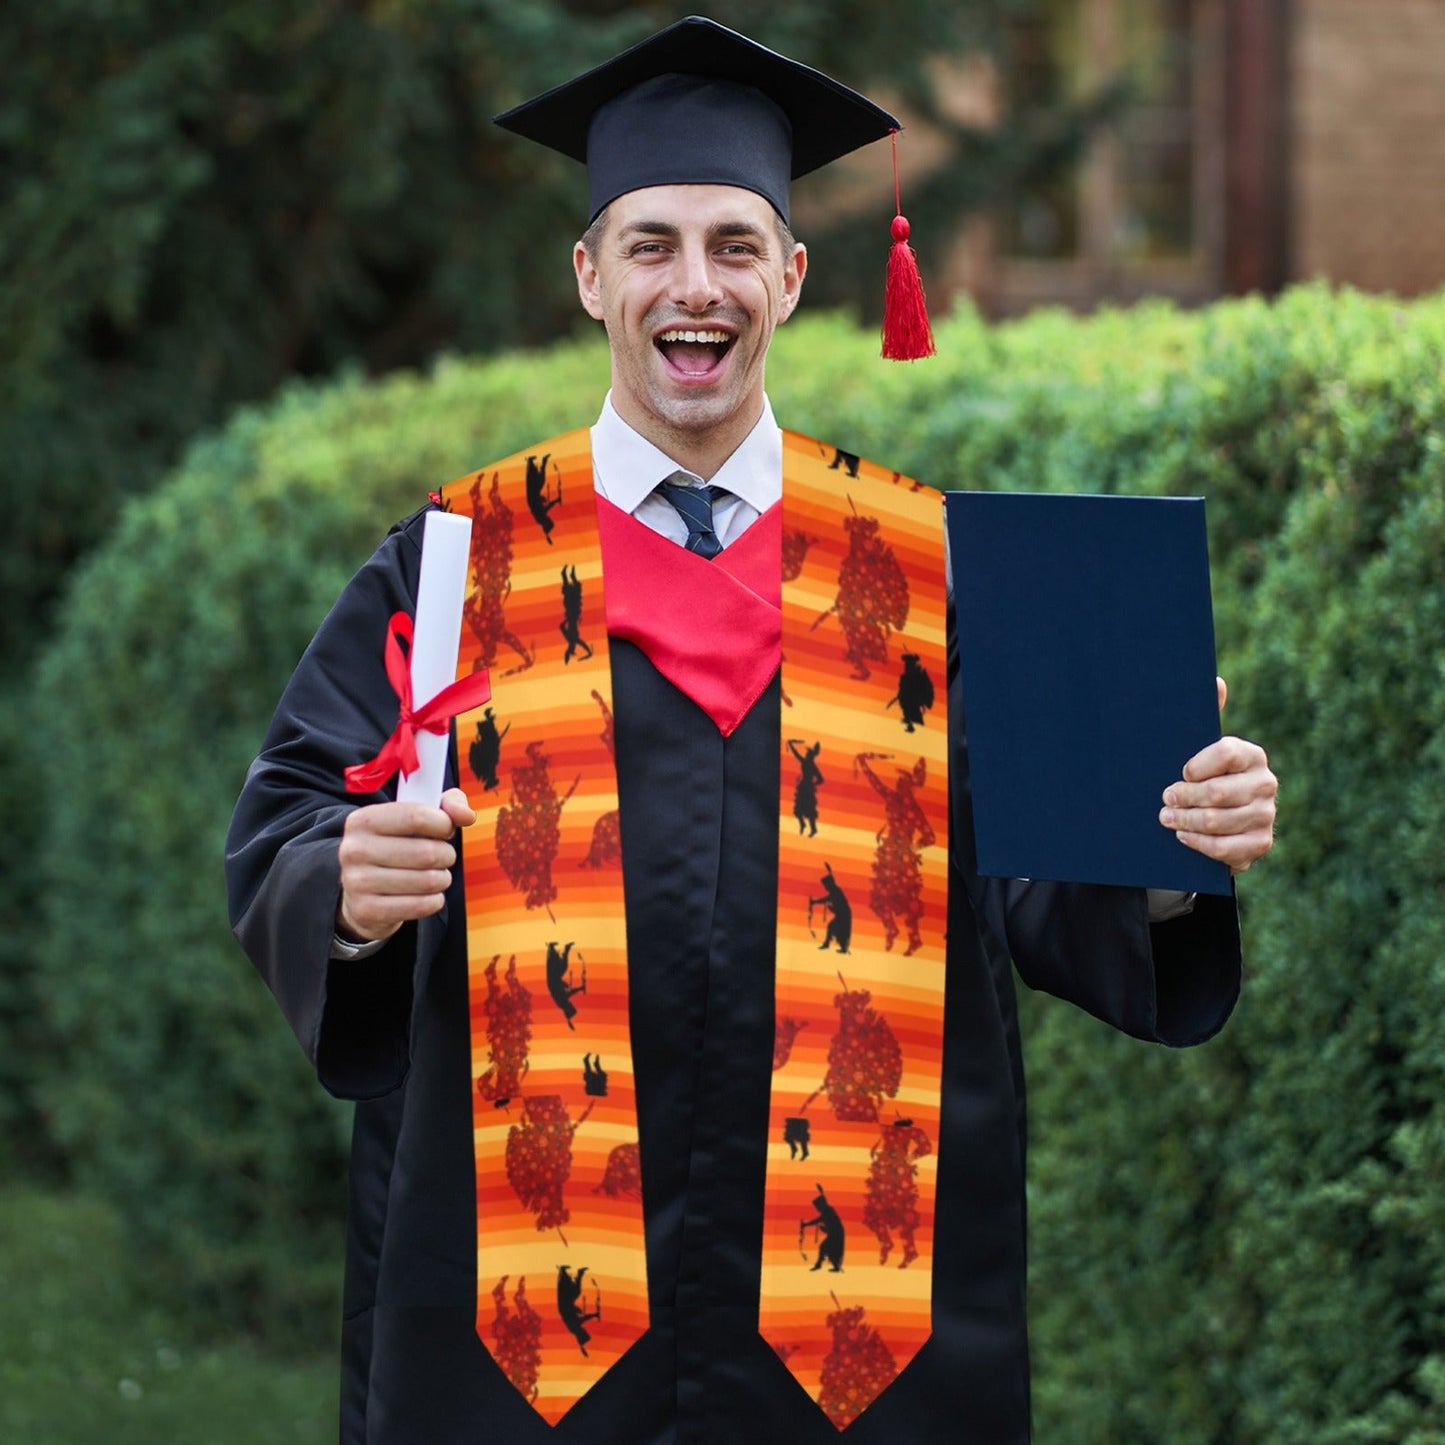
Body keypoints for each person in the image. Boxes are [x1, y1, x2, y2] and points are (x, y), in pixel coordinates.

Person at [225, 17, 1277, 1445]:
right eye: (649, 244)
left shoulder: (930, 568)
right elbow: (290, 818)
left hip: (860, 1323)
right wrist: (342, 888)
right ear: (589, 275)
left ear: (789, 276)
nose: (692, 285)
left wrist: (1165, 847)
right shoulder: (462, 562)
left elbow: (1038, 884)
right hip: (526, 1324)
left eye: (732, 244)